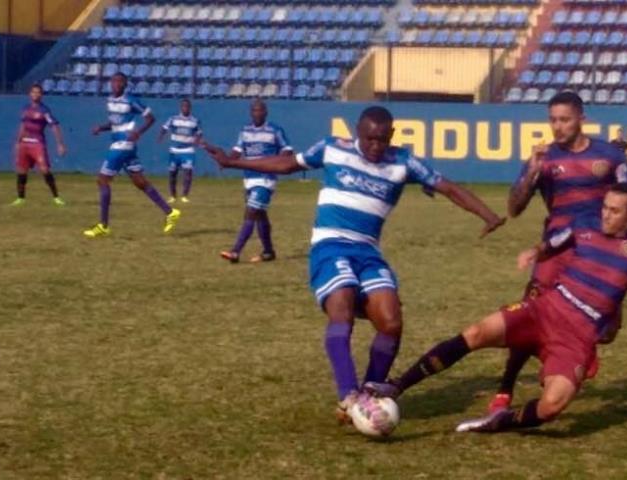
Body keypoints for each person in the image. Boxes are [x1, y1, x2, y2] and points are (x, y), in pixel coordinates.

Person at [365, 183, 627, 433]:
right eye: (605, 207)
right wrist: (534, 251)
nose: (606, 215)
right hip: (545, 308)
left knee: (553, 405)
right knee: (476, 333)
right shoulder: (585, 226)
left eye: (615, 211)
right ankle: (395, 386)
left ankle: (499, 423)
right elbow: (553, 243)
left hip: (578, 334)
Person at [202, 105, 506, 424]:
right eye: (369, 138)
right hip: (330, 245)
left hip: (368, 251)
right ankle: (349, 397)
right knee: (342, 304)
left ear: (391, 135)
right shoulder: (333, 148)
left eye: (382, 139)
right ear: (357, 132)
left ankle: (370, 392)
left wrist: (488, 215)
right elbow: (288, 163)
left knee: (391, 322)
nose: (375, 145)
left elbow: (449, 187)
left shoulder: (403, 162)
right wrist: (233, 162)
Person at [489, 91, 627, 413]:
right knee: (530, 315)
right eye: (553, 120)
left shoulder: (609, 156)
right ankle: (505, 389)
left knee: (607, 331)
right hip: (555, 249)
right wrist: (532, 171)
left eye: (565, 119)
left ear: (582, 119)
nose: (557, 126)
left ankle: (578, 351)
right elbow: (514, 208)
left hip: (596, 252)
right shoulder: (545, 158)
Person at [83, 73, 180, 238]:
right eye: (114, 81)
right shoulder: (110, 101)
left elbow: (150, 118)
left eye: (120, 82)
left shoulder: (131, 100)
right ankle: (170, 212)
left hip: (123, 144)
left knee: (102, 180)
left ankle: (103, 225)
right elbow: (115, 123)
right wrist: (101, 128)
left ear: (125, 84)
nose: (116, 84)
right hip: (119, 143)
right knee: (140, 182)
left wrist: (138, 132)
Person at [218, 99, 292, 264]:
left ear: (265, 112)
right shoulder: (245, 130)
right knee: (259, 215)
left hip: (266, 178)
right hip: (249, 178)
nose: (257, 113)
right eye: (254, 110)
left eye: (260, 110)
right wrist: (227, 161)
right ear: (251, 113)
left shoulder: (275, 130)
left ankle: (235, 251)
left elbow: (287, 150)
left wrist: (275, 163)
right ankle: (268, 252)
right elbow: (237, 150)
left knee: (251, 211)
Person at [11, 83, 67, 206]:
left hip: (37, 143)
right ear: (29, 94)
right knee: (21, 171)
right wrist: (18, 142)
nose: (35, 94)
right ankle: (20, 198)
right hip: (25, 143)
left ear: (41, 95)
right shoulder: (25, 109)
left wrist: (60, 144)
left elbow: (54, 126)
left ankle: (56, 197)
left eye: (38, 92)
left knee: (44, 169)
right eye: (33, 92)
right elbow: (23, 125)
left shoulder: (44, 110)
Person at [157, 98, 202, 204]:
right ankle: (173, 196)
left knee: (188, 172)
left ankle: (184, 196)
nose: (185, 108)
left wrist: (197, 140)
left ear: (190, 108)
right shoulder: (173, 119)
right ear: (181, 107)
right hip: (175, 150)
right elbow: (164, 128)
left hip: (188, 150)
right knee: (172, 173)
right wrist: (161, 136)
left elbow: (199, 133)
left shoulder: (195, 121)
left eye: (187, 106)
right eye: (183, 106)